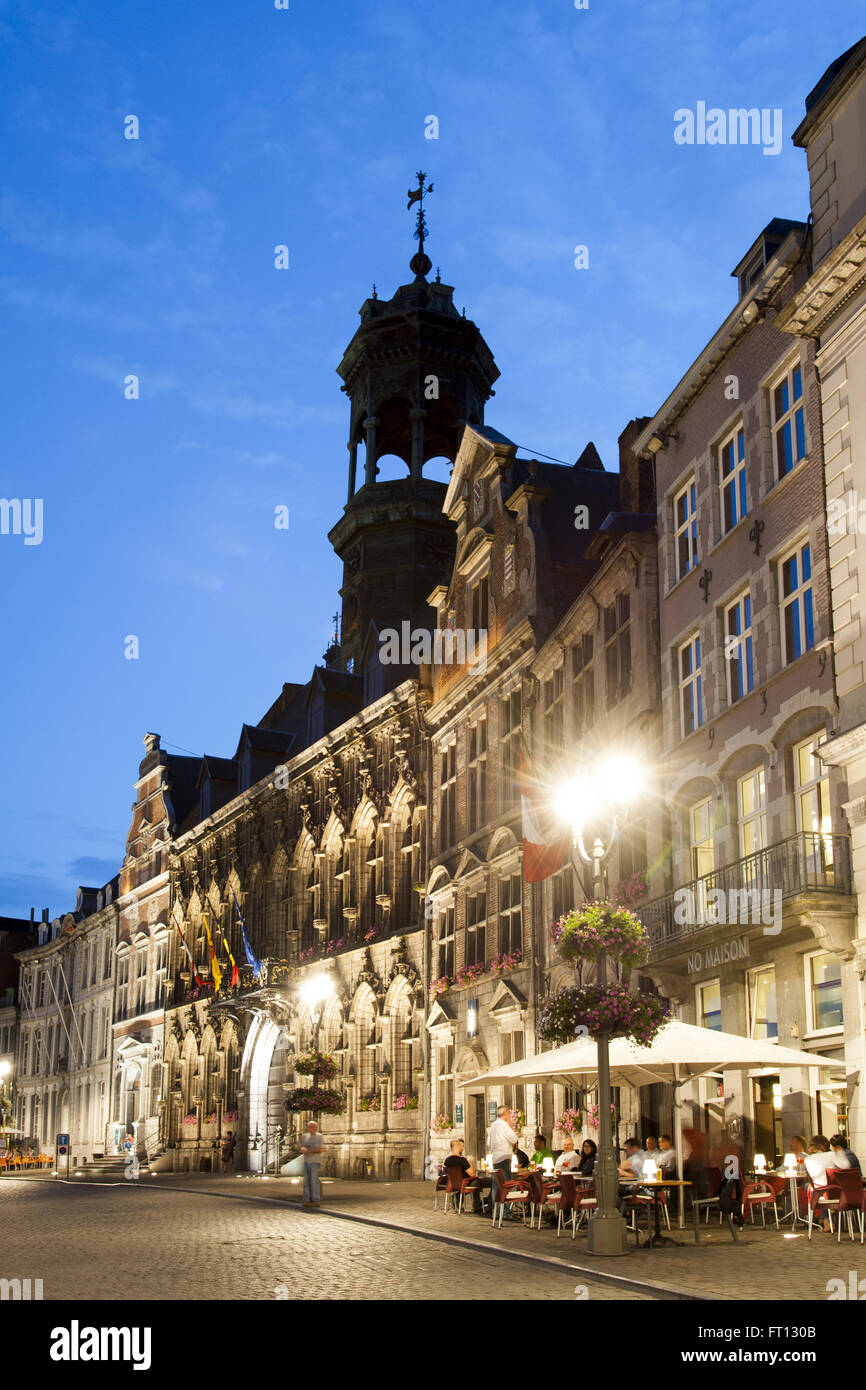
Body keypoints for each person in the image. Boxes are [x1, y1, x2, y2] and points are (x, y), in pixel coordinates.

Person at [443, 1138, 484, 1213]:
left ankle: (460, 1197)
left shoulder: (447, 1160)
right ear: (457, 1147)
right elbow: (472, 1174)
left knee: (476, 1181)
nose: (462, 1148)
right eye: (461, 1146)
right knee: (485, 1181)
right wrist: (471, 1162)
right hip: (465, 1183)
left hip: (453, 1183)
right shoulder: (462, 1160)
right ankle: (479, 1205)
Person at [487, 1106, 518, 1186]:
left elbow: (488, 1143)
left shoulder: (493, 1126)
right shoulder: (504, 1125)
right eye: (508, 1113)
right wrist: (510, 1126)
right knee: (506, 1184)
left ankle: (495, 1199)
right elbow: (514, 1139)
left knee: (496, 1184)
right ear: (505, 1114)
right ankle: (505, 1198)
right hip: (504, 1158)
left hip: (495, 1158)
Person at [300, 1120, 324, 1208]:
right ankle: (307, 1199)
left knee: (314, 1180)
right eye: (309, 1127)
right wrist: (303, 1149)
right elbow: (301, 1146)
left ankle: (315, 1199)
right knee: (306, 1181)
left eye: (312, 1127)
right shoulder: (304, 1136)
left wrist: (309, 1151)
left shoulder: (319, 1137)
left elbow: (320, 1149)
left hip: (315, 1161)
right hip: (306, 1160)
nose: (311, 1129)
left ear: (316, 1128)